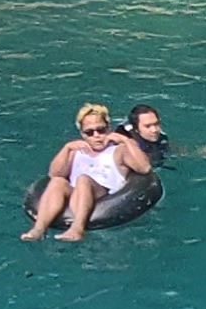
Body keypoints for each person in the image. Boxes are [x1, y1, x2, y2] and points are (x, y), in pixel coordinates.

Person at [24, 103, 155, 241]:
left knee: (83, 179)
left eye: (101, 130)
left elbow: (144, 168)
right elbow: (54, 174)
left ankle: (77, 228)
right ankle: (39, 229)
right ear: (82, 134)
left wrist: (126, 140)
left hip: (102, 194)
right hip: (75, 196)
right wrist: (66, 148)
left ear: (109, 129)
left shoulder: (118, 151)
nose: (97, 136)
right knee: (58, 182)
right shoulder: (76, 151)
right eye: (89, 132)